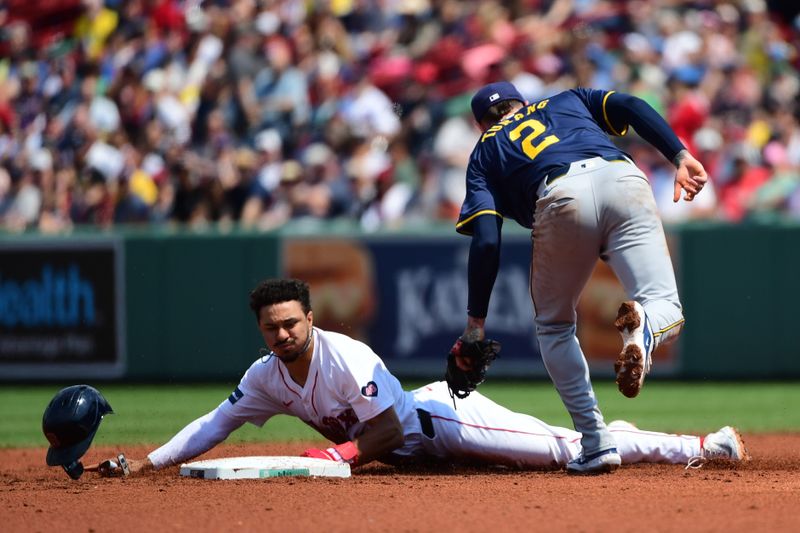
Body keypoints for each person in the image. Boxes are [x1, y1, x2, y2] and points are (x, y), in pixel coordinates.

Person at [100, 278, 746, 476]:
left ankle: (699, 445)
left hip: (439, 419)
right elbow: (215, 422)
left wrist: (336, 455)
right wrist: (147, 462)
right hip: (421, 458)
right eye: (272, 327)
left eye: (292, 322)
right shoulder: (266, 376)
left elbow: (385, 428)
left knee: (569, 449)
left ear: (311, 318)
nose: (283, 334)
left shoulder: (344, 355)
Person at [453, 82, 709, 474]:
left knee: (554, 327)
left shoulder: (485, 150)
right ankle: (646, 332)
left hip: (561, 195)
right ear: (520, 102)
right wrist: (680, 154)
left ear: (480, 123)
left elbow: (487, 241)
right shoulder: (566, 99)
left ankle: (596, 442)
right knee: (665, 305)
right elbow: (631, 104)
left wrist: (475, 325)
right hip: (623, 177)